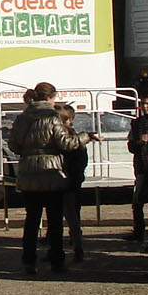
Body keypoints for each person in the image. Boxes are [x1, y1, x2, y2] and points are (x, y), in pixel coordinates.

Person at [7, 82, 92, 276]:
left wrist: (28, 152)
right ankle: (57, 261)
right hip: (52, 172)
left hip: (29, 172)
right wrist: (86, 137)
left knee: (31, 220)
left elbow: (13, 144)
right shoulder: (52, 117)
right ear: (50, 98)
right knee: (54, 221)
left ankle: (29, 261)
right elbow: (67, 143)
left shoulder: (22, 117)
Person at [124, 88, 148, 242]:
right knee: (137, 202)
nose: (145, 107)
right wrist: (138, 142)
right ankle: (138, 231)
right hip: (142, 166)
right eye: (143, 104)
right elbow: (131, 146)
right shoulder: (137, 123)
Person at [54, 103, 87, 264]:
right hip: (67, 180)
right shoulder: (69, 138)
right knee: (64, 217)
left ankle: (77, 247)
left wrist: (74, 177)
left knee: (70, 217)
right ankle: (64, 247)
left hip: (67, 181)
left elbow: (80, 160)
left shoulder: (70, 139)